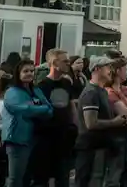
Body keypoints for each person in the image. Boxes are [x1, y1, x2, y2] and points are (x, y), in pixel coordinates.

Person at [75, 57, 127, 187]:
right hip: (90, 147)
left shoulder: (101, 91)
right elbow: (91, 123)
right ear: (97, 69)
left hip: (99, 145)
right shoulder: (91, 93)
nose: (110, 71)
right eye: (107, 67)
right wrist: (115, 122)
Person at [1, 59, 53, 187]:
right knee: (15, 179)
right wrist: (40, 108)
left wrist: (36, 107)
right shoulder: (12, 92)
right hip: (17, 140)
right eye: (26, 71)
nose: (29, 73)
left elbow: (50, 109)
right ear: (18, 73)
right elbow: (23, 110)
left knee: (28, 177)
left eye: (32, 71)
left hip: (34, 138)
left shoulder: (36, 91)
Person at [35, 49, 81, 187]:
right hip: (45, 137)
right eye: (65, 61)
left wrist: (77, 127)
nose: (68, 64)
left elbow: (71, 106)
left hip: (64, 136)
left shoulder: (67, 83)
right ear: (55, 63)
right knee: (42, 178)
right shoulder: (42, 86)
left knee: (63, 177)